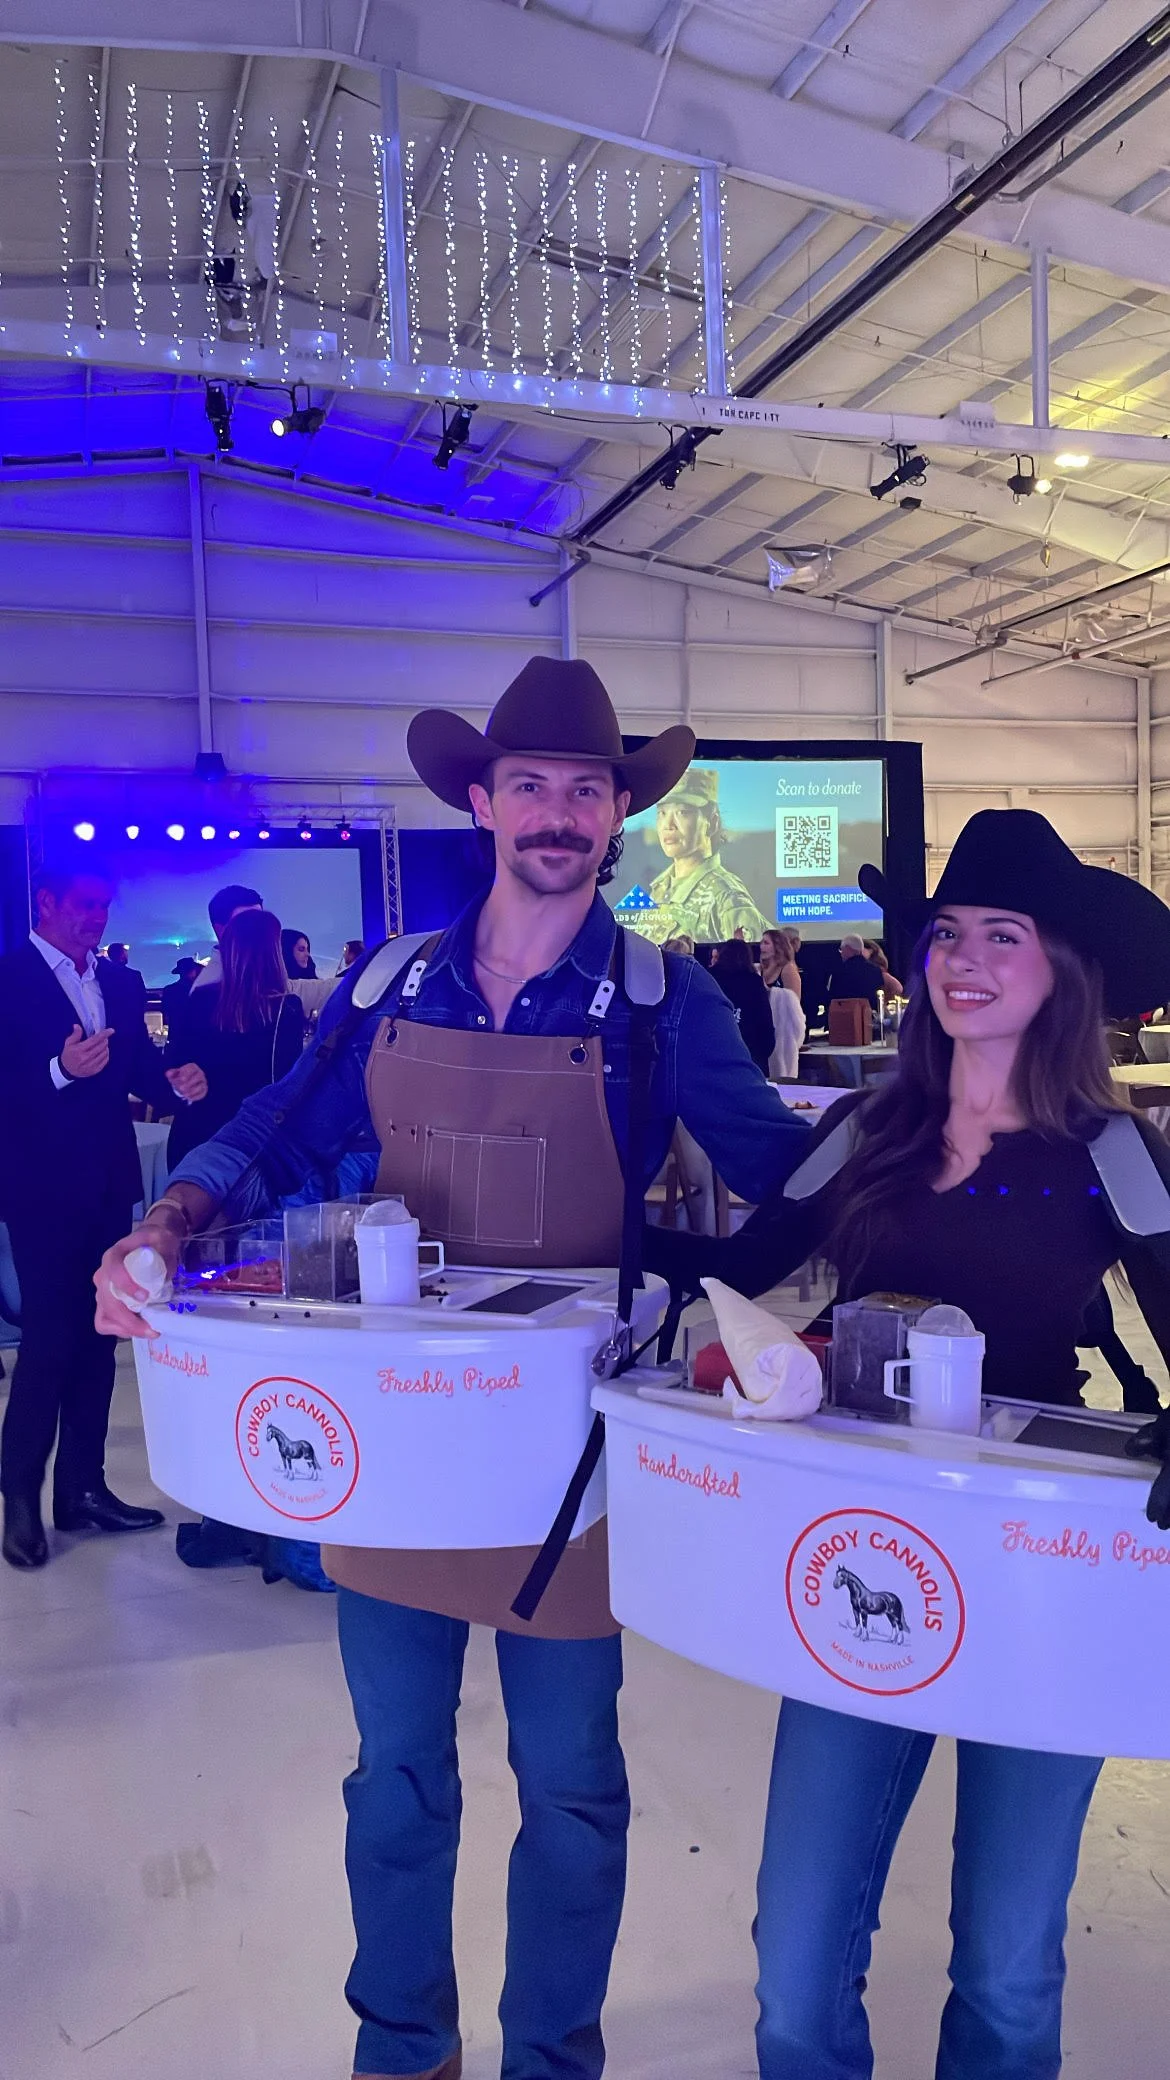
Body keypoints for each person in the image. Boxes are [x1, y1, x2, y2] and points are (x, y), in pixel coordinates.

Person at [96, 655, 812, 2080]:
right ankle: (401, 2051)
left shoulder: (667, 1006)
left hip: (568, 1471)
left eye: (587, 790)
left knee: (572, 1790)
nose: (558, 812)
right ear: (482, 802)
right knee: (396, 1782)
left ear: (617, 815)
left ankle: (552, 2058)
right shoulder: (388, 981)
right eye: (531, 784)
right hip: (399, 1453)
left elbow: (787, 1182)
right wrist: (167, 1223)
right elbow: (284, 1133)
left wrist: (949, 1169)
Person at [646, 807, 1170, 2080]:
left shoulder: (1112, 1152)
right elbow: (741, 1270)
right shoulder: (866, 1130)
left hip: (1043, 1571)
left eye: (1004, 933)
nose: (963, 958)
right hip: (865, 1556)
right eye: (947, 932)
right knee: (798, 1956)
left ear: (1063, 969)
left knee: (1005, 1966)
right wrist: (584, 1276)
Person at [0, 861, 206, 1570]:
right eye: (86, 905)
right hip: (38, 1188)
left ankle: (83, 1489)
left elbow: (136, 1070)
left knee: (101, 1336)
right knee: (49, 1342)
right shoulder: (9, 976)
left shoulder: (116, 982)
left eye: (105, 906)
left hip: (108, 1181)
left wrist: (176, 1082)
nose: (98, 918)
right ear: (48, 902)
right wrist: (59, 1073)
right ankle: (20, 1500)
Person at [164, 910, 305, 1172]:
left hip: (194, 1140)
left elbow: (174, 1066)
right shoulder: (286, 1008)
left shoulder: (198, 999)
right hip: (250, 1142)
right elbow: (285, 1083)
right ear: (273, 952)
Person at [644, 768, 770, 944]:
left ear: (712, 822)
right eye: (662, 813)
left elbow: (755, 960)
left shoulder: (726, 897)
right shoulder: (660, 889)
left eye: (682, 812)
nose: (668, 825)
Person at [710, 937, 776, 1076]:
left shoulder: (710, 979)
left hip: (714, 1056)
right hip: (751, 1058)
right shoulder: (754, 982)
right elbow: (764, 1023)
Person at [190, 882, 263, 991]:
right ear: (220, 930)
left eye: (261, 920)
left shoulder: (265, 970)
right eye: (245, 922)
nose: (257, 928)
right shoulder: (208, 989)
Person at [281, 927, 335, 1022]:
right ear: (286, 950)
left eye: (307, 949)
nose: (308, 954)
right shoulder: (281, 988)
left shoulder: (313, 983)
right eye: (301, 949)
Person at [824, 931, 883, 1012]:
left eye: (841, 950)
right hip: (870, 1017)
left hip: (845, 1018)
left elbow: (832, 1002)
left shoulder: (839, 972)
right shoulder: (876, 970)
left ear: (848, 948)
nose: (841, 954)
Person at [100, 939, 147, 1015]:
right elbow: (142, 999)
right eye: (125, 952)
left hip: (111, 1019)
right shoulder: (134, 975)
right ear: (122, 955)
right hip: (132, 1018)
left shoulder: (103, 975)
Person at [161, 954, 202, 1032]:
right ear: (193, 971)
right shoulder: (200, 991)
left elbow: (167, 1016)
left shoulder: (169, 990)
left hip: (177, 1034)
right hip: (198, 1033)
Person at [759, 928, 802, 1000]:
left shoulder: (788, 969)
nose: (761, 946)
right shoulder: (759, 969)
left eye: (766, 943)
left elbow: (794, 1003)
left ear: (777, 946)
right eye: (761, 943)